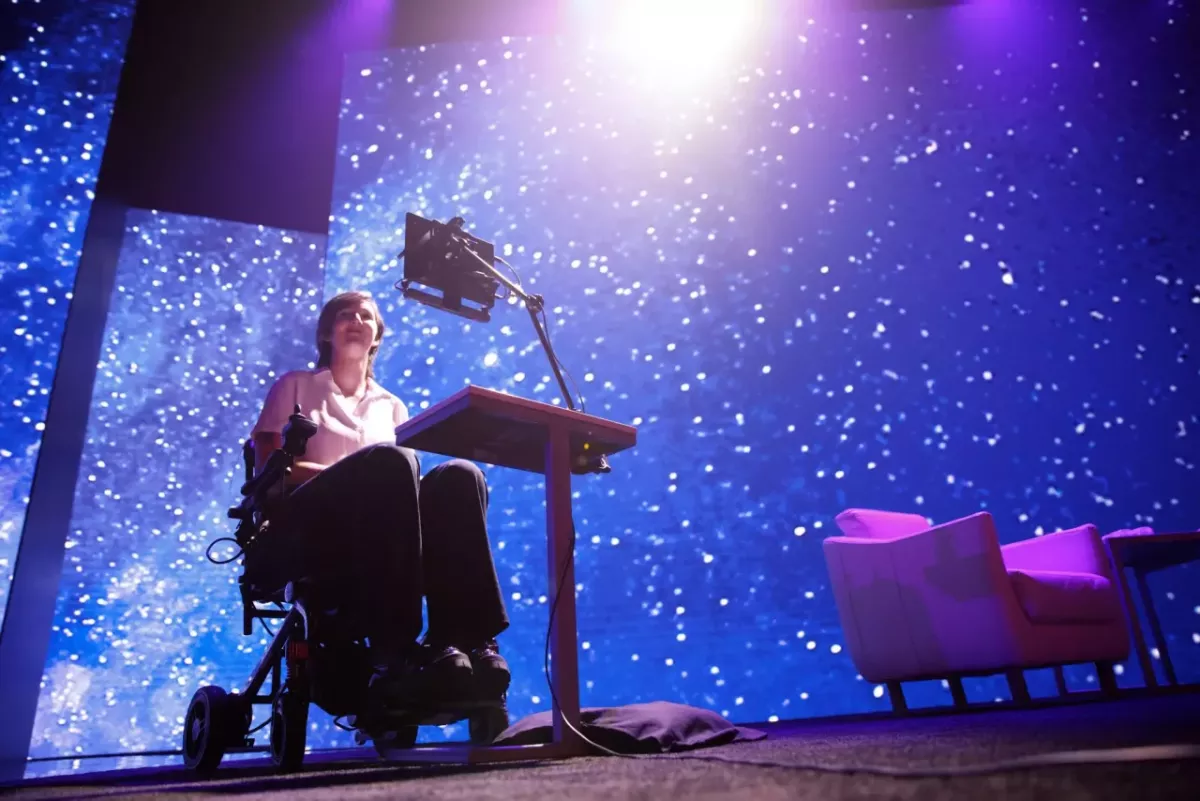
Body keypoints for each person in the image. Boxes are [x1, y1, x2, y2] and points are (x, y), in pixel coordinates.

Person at [247, 290, 510, 707]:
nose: (355, 320)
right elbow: (269, 470)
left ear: (376, 337)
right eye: (344, 314)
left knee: (461, 475)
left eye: (365, 316)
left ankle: (467, 642)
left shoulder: (392, 406)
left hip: (381, 533)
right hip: (305, 526)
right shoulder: (295, 385)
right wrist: (361, 475)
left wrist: (376, 475)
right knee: (388, 462)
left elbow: (404, 486)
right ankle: (394, 647)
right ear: (327, 333)